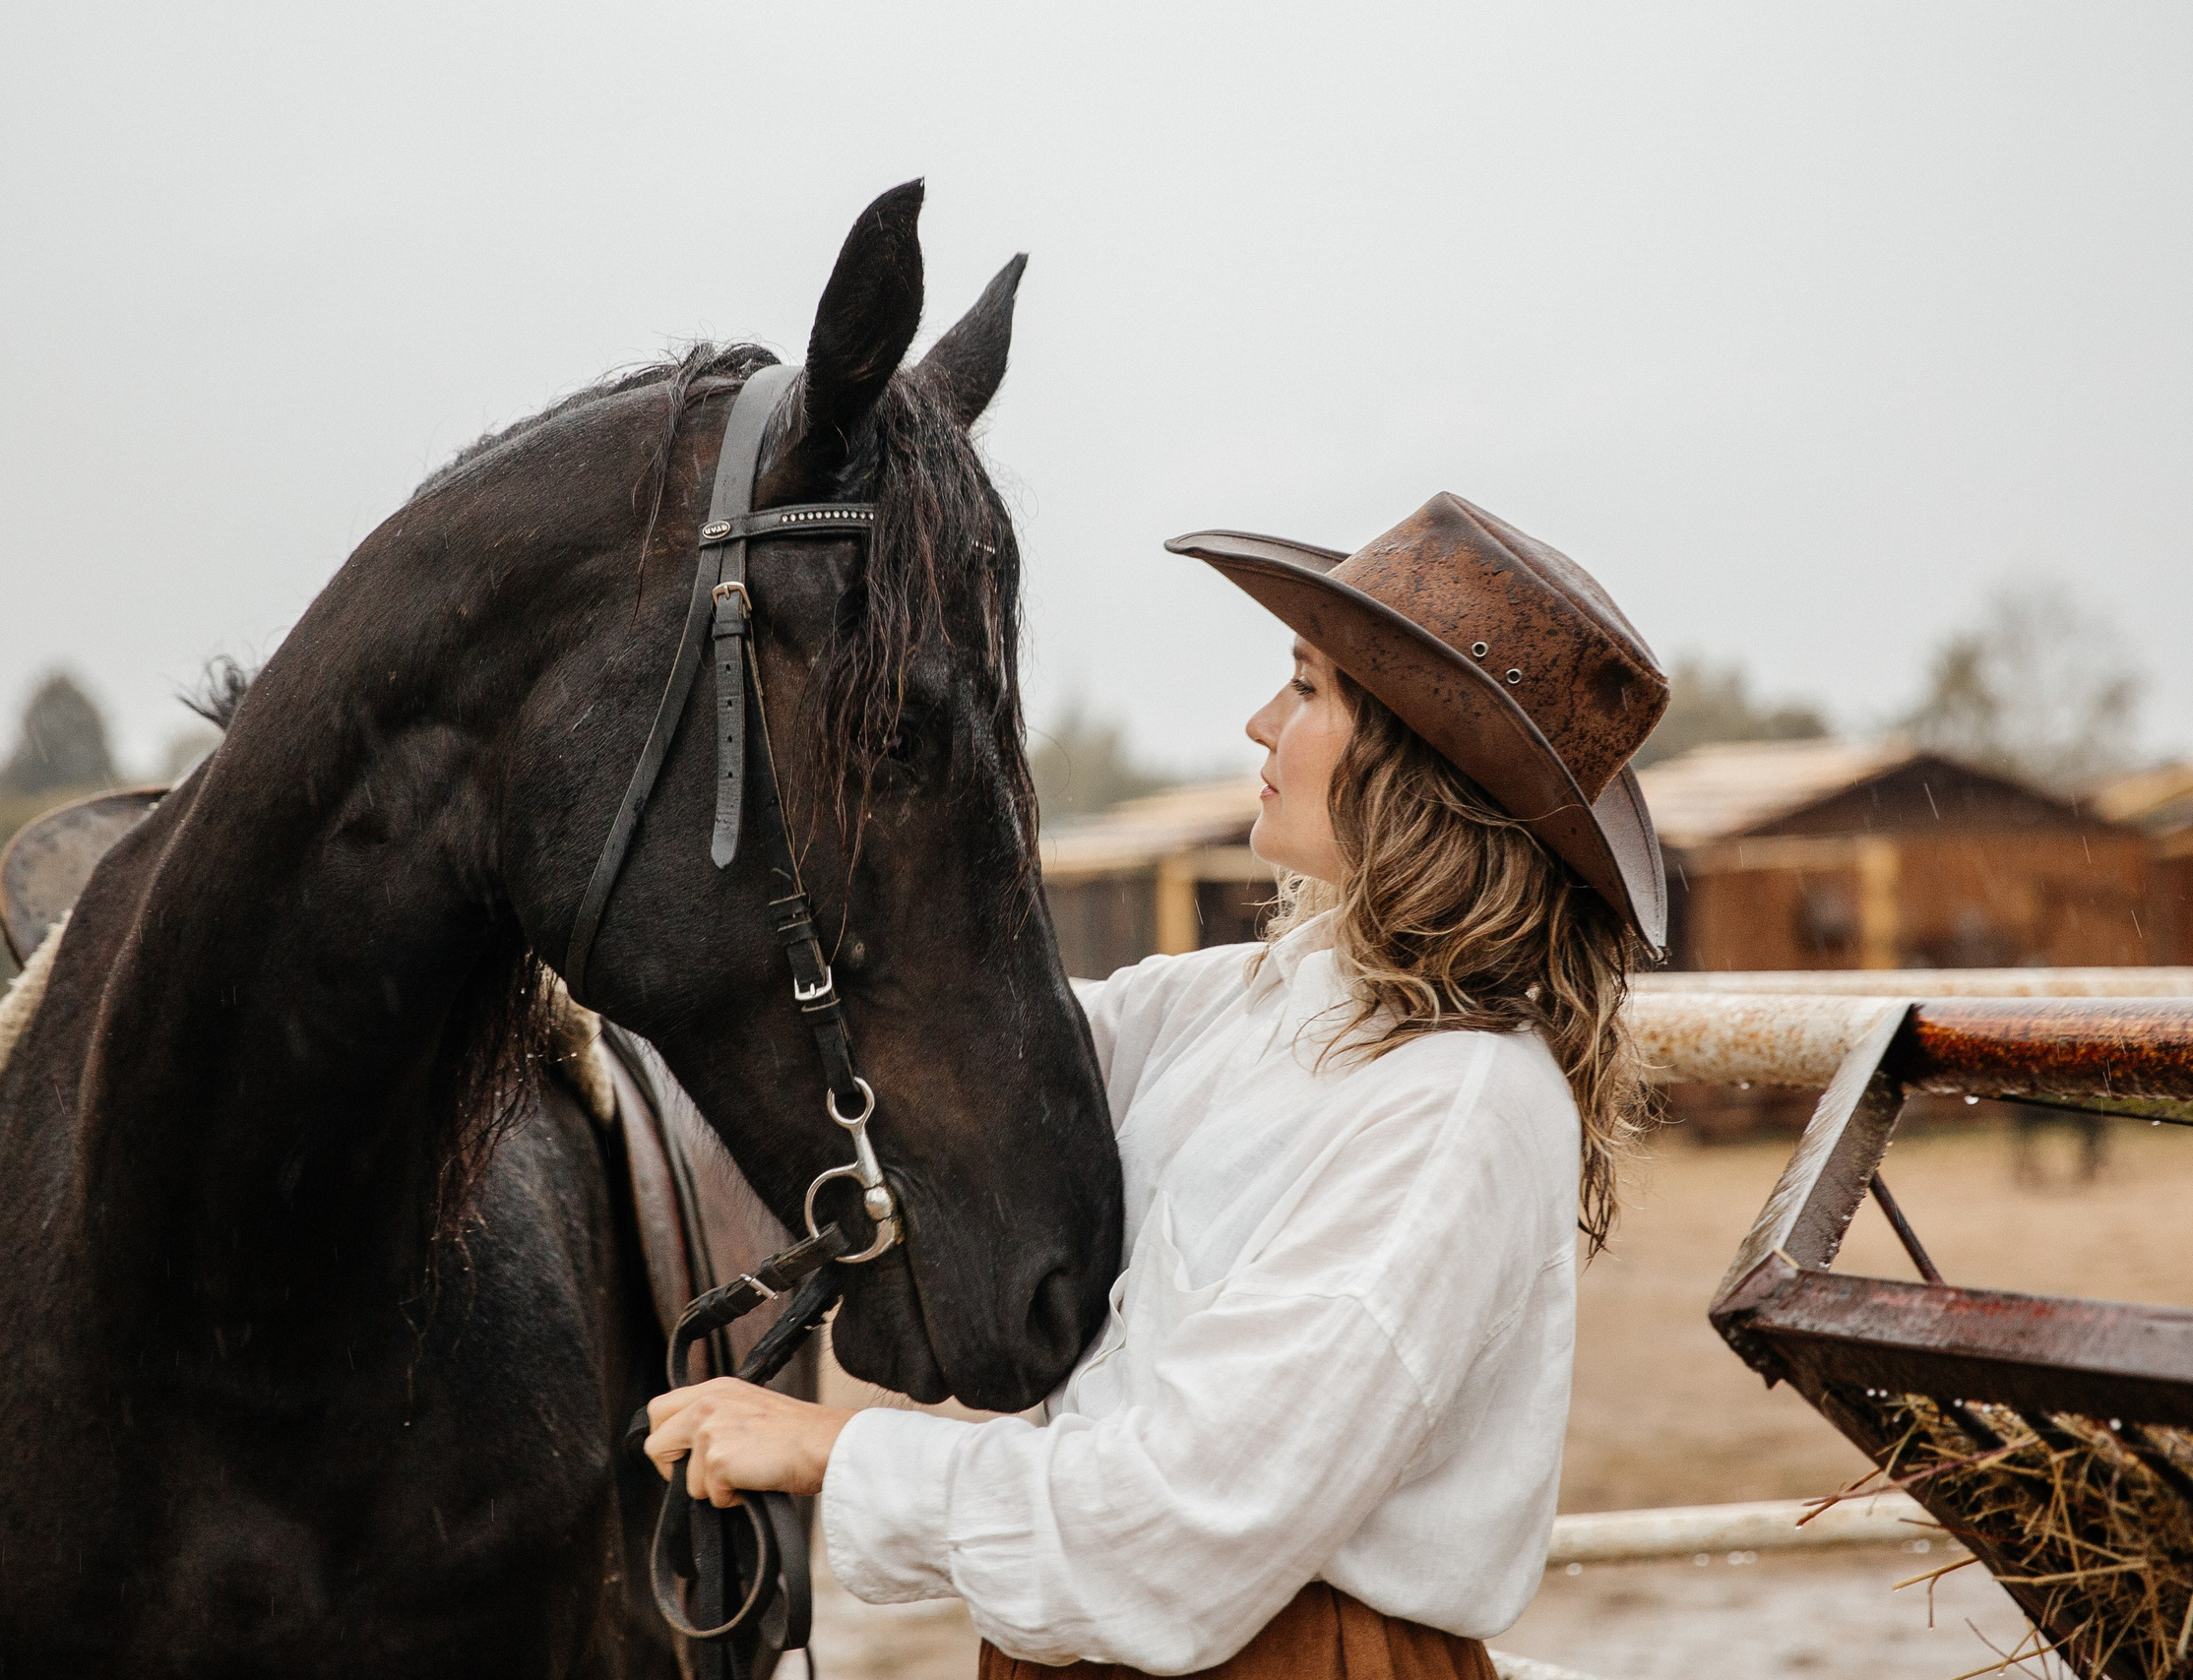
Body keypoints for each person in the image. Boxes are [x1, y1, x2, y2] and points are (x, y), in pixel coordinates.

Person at [646, 493, 1671, 1679]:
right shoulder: (1241, 1003)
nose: (1257, 723)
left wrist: (836, 1448)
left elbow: (1186, 1528)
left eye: (1306, 690)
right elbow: (967, 1055)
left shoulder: (1452, 1108)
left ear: (1415, 771)